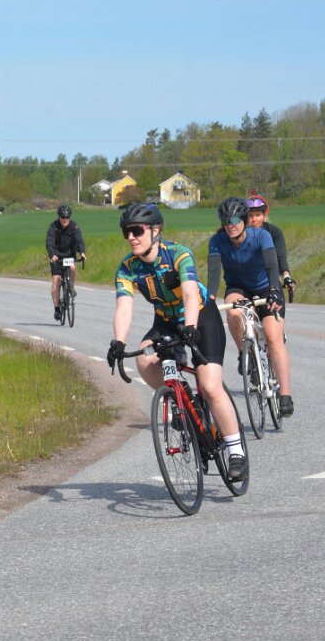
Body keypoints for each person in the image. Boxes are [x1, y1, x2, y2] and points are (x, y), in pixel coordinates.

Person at [105, 202, 247, 482]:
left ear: (155, 230)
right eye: (126, 232)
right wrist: (118, 342)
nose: (131, 237)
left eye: (136, 231)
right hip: (166, 322)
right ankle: (179, 397)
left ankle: (235, 451)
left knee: (210, 385)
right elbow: (124, 307)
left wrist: (191, 327)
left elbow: (191, 294)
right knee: (144, 359)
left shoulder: (179, 254)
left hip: (200, 317)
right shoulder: (127, 268)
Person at [207, 196, 293, 416]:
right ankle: (245, 355)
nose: (231, 225)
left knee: (273, 338)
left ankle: (285, 394)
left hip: (266, 288)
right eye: (226, 221)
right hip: (238, 288)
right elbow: (214, 273)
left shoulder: (261, 236)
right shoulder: (217, 241)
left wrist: (275, 291)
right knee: (233, 312)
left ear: (244, 220)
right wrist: (209, 298)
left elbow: (272, 266)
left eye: (235, 220)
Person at [245, 193, 295, 295]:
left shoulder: (274, 232)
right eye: (250, 216)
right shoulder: (239, 234)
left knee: (275, 299)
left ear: (264, 216)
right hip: (246, 277)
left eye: (257, 215)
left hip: (269, 275)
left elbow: (280, 257)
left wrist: (286, 277)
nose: (254, 219)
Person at [46, 204, 86, 322]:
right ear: (59, 217)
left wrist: (82, 252)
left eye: (67, 218)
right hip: (57, 257)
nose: (65, 220)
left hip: (69, 255)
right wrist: (52, 254)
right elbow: (49, 242)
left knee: (73, 267)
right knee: (56, 280)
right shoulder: (53, 227)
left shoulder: (74, 227)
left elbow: (79, 240)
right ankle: (57, 309)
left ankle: (71, 287)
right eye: (63, 218)